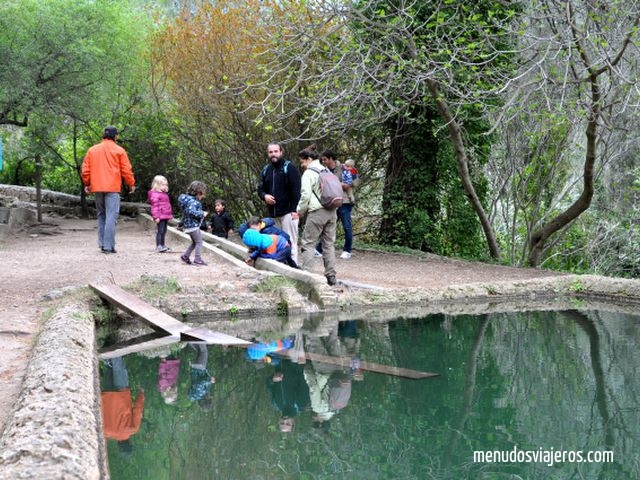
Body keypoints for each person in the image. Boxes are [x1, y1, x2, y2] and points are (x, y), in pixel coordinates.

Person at [81, 125, 136, 254]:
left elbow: (85, 170)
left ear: (103, 135)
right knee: (111, 216)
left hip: (97, 187)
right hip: (112, 188)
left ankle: (102, 243)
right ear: (115, 136)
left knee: (101, 215)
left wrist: (87, 183)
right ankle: (108, 246)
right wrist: (131, 183)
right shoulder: (119, 150)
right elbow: (126, 170)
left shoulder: (92, 150)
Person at [296, 146, 338, 286]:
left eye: (302, 162)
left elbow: (305, 195)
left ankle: (306, 276)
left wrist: (299, 211)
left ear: (308, 159)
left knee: (308, 243)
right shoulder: (325, 169)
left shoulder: (309, 173)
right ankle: (331, 277)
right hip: (332, 211)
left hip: (317, 212)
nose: (302, 165)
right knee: (329, 245)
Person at [257, 142, 301, 264]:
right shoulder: (266, 170)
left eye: (276, 151)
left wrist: (294, 210)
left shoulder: (289, 168)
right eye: (271, 152)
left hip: (288, 213)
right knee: (276, 242)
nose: (273, 154)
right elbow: (260, 189)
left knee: (290, 241)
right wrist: (264, 196)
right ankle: (281, 268)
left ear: (281, 152)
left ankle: (294, 268)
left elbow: (297, 191)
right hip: (273, 215)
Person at [101, 357, 145, 452]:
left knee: (118, 364)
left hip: (122, 395)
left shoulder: (133, 429)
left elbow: (137, 410)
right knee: (108, 367)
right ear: (119, 444)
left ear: (129, 442)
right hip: (106, 396)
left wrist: (141, 395)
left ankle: (114, 345)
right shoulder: (105, 432)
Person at [321, 150, 354, 260]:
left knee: (347, 226)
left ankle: (347, 250)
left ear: (331, 158)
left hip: (344, 201)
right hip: (330, 202)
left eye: (325, 159)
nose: (323, 161)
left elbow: (351, 184)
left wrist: (334, 184)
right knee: (327, 226)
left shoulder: (344, 168)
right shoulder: (324, 170)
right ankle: (320, 248)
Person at [267, 357, 311, 433]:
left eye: (282, 423)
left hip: (279, 362)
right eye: (288, 423)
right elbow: (304, 380)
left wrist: (272, 379)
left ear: (278, 421)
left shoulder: (276, 404)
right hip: (296, 361)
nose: (285, 420)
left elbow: (269, 385)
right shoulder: (301, 404)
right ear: (293, 422)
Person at [178, 181, 208, 266]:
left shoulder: (187, 200)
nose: (203, 196)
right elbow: (191, 212)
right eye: (202, 194)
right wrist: (202, 213)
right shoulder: (194, 202)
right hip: (193, 226)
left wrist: (181, 223)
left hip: (188, 225)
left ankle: (185, 256)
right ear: (198, 193)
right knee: (199, 242)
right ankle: (197, 259)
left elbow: (186, 212)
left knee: (194, 242)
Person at [147, 175, 173, 252]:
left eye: (166, 185)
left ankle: (163, 244)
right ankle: (159, 246)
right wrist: (156, 217)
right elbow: (154, 207)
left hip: (165, 215)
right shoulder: (155, 194)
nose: (165, 186)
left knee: (164, 230)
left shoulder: (163, 193)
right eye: (163, 185)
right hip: (160, 216)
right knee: (160, 231)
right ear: (157, 185)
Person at [188, 343, 216, 410]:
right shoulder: (199, 395)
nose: (211, 397)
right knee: (199, 351)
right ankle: (189, 340)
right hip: (196, 370)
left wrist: (209, 380)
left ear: (207, 400)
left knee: (204, 351)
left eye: (211, 399)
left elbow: (199, 384)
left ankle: (199, 336)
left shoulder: (200, 393)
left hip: (199, 369)